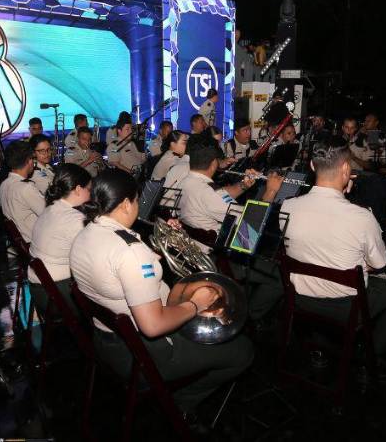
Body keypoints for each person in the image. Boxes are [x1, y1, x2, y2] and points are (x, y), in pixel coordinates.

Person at [69, 170, 253, 421]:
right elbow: (153, 326)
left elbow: (118, 267)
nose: (138, 207)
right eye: (137, 201)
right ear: (125, 204)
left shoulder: (86, 233)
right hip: (145, 354)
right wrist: (195, 304)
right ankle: (183, 400)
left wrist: (153, 250)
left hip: (106, 342)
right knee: (243, 351)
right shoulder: (130, 253)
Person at [282, 144, 386, 372]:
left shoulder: (288, 206)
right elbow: (378, 264)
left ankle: (319, 346)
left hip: (299, 299)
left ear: (312, 166)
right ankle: (373, 358)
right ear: (346, 169)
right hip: (344, 307)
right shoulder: (361, 217)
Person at [177, 143, 283, 321]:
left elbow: (220, 196)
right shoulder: (208, 193)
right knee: (279, 278)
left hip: (197, 252)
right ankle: (248, 317)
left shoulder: (186, 182)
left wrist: (244, 184)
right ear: (214, 164)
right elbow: (250, 226)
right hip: (222, 258)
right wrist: (271, 191)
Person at [28, 164, 91, 314]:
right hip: (55, 294)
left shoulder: (52, 208)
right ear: (78, 189)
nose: (91, 194)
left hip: (40, 289)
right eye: (89, 189)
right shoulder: (74, 219)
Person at [0, 140, 46, 244]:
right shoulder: (26, 188)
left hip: (19, 243)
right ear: (29, 161)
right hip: (35, 242)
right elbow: (48, 214)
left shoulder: (3, 185)